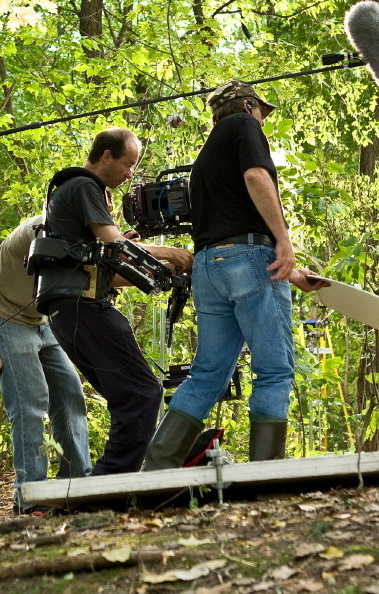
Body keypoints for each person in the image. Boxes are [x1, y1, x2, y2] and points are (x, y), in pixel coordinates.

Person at [143, 82, 327, 470]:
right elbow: (257, 179)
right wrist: (284, 243)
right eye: (261, 110)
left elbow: (229, 228)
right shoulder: (245, 126)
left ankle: (155, 469)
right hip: (248, 260)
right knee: (275, 370)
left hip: (209, 268)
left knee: (207, 375)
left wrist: (290, 271)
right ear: (247, 105)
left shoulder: (208, 154)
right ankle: (266, 473)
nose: (262, 118)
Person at [35, 127, 193, 475]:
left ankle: (109, 478)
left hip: (71, 312)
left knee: (129, 397)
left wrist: (162, 267)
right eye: (128, 163)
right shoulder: (85, 186)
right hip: (85, 310)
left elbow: (107, 264)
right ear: (106, 155)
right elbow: (115, 245)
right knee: (142, 394)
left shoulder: (73, 190)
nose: (130, 173)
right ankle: (109, 480)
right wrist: (174, 254)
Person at [0, 214, 91, 514]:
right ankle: (31, 494)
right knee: (29, 402)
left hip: (41, 320)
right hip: (1, 318)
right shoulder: (42, 227)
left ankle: (77, 485)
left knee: (69, 393)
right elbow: (56, 261)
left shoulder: (89, 238)